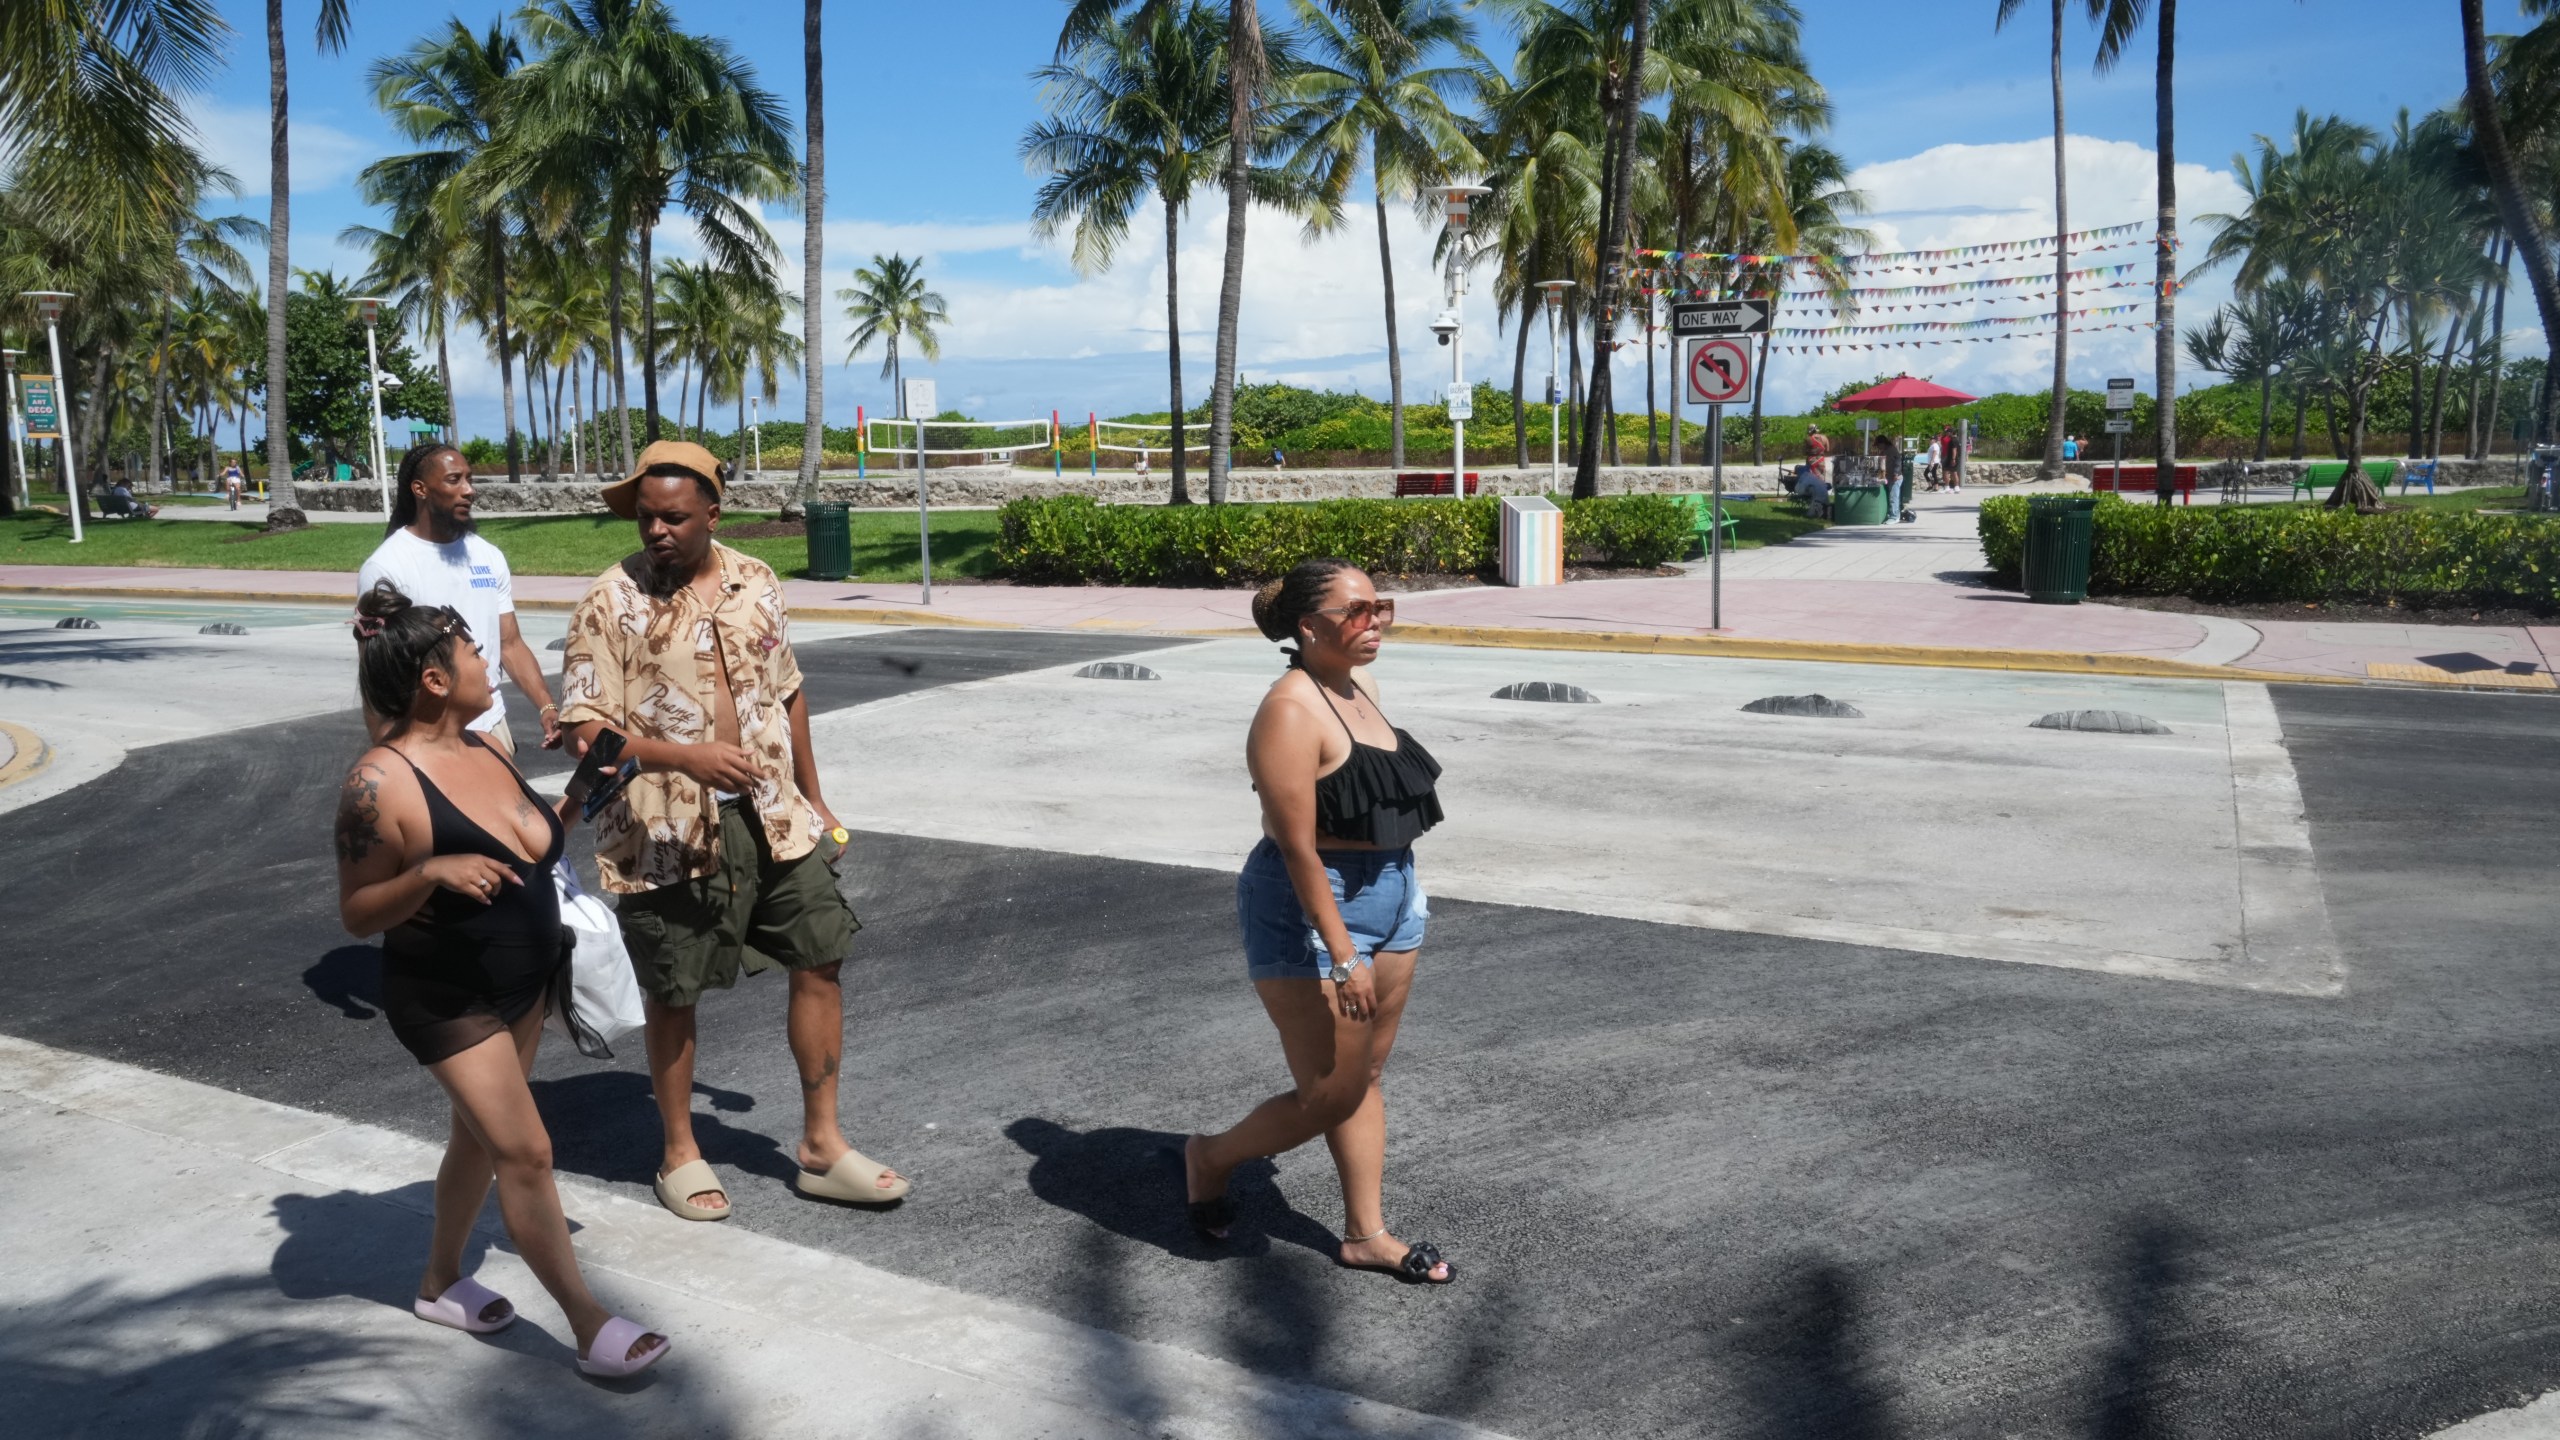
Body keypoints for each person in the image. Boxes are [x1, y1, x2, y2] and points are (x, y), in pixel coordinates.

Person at [556, 440, 907, 1222]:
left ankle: (822, 1145)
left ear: (713, 515)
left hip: (778, 819)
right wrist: (686, 758)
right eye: (646, 518)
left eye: (674, 518)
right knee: (675, 991)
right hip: (664, 828)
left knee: (821, 956)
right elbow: (585, 732)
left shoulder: (759, 581)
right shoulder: (609, 600)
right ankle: (679, 1151)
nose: (656, 532)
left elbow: (789, 693)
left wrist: (817, 799)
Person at [333, 581, 669, 1379]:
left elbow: (532, 843)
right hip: (447, 1000)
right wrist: (429, 872)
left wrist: (586, 790)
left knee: (476, 1144)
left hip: (523, 982)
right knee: (526, 1151)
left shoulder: (484, 746)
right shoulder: (377, 784)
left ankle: (440, 1280)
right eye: (473, 650)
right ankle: (591, 1327)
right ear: (435, 681)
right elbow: (357, 914)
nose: (491, 658)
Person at [1183, 559, 1456, 1286]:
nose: (1376, 623)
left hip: (1395, 894)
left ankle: (1366, 1233)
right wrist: (1341, 952)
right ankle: (1210, 1157)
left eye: (1381, 607)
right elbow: (1295, 843)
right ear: (1309, 626)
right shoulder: (1290, 710)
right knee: (1331, 1090)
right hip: (1313, 907)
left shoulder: (1358, 685)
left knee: (1364, 1075)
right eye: (1358, 610)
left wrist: (1394, 905)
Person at [360, 445, 561, 755]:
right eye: (454, 480)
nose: (469, 490)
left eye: (470, 479)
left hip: (491, 726)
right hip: (427, 737)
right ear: (420, 489)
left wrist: (546, 706)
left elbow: (510, 644)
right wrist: (388, 753)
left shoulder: (488, 555)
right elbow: (376, 674)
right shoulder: (386, 567)